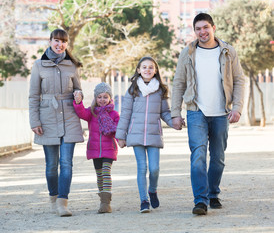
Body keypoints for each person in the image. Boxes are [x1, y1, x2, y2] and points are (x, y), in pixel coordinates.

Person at [171, 13, 245, 215]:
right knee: (198, 156)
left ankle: (213, 193)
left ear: (213, 27)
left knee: (218, 158)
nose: (202, 32)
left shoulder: (228, 51)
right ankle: (200, 200)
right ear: (194, 31)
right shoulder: (188, 53)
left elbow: (239, 80)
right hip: (196, 111)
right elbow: (178, 83)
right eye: (198, 29)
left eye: (205, 27)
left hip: (222, 113)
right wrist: (175, 113)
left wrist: (237, 107)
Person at [29, 29, 84, 217]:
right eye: (56, 41)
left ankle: (63, 202)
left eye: (63, 41)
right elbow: (33, 96)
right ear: (50, 41)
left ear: (66, 44)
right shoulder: (39, 65)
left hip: (69, 117)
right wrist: (34, 121)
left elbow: (78, 90)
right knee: (51, 165)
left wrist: (79, 95)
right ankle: (53, 198)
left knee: (66, 163)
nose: (60, 44)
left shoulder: (73, 65)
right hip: (47, 118)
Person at [115, 56, 180, 213]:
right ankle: (144, 200)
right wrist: (121, 135)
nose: (147, 70)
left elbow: (164, 112)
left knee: (155, 168)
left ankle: (153, 190)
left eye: (151, 67)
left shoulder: (160, 90)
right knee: (142, 167)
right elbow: (125, 113)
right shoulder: (132, 90)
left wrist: (174, 123)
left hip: (153, 134)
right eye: (144, 67)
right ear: (138, 70)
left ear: (155, 70)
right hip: (135, 134)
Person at [73, 82, 120, 213]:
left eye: (105, 97)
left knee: (106, 172)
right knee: (99, 175)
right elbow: (81, 113)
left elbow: (118, 130)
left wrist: (121, 140)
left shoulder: (114, 114)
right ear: (95, 98)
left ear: (110, 98)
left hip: (109, 149)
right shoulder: (92, 113)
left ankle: (106, 203)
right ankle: (102, 201)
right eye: (99, 97)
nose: (102, 100)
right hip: (94, 149)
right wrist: (78, 102)